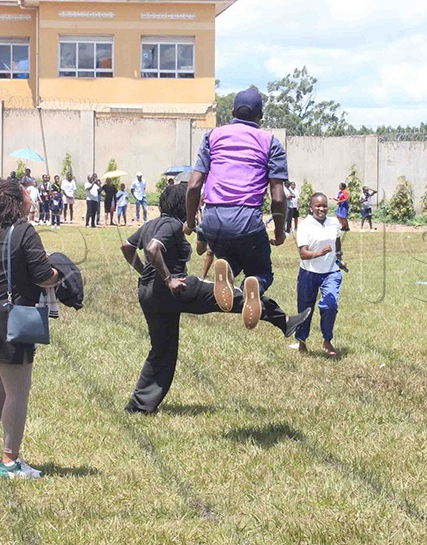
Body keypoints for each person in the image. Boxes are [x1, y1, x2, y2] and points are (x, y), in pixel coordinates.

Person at [120, 183, 310, 414]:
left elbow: (127, 247)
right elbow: (152, 248)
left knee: (161, 350)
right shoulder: (172, 225)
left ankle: (139, 406)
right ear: (183, 205)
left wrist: (145, 273)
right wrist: (168, 278)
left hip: (148, 294)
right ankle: (285, 320)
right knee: (233, 296)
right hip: (177, 289)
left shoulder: (150, 224)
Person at [0, 178, 60, 479]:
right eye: (27, 196)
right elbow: (44, 276)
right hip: (8, 319)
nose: (31, 200)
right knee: (18, 390)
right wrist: (62, 269)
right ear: (17, 202)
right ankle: (10, 462)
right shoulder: (23, 232)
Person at [184, 87, 289, 327]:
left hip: (213, 220)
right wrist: (280, 231)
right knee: (262, 271)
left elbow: (193, 186)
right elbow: (279, 196)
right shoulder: (270, 142)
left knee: (231, 256)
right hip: (247, 220)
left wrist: (191, 222)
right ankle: (253, 285)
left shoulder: (213, 136)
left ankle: (228, 270)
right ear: (260, 116)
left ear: (232, 112)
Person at [295, 193, 346, 356]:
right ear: (311, 207)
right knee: (305, 308)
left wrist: (339, 259)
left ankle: (327, 340)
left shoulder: (334, 223)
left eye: (324, 205)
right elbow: (303, 254)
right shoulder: (304, 225)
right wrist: (320, 253)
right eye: (317, 206)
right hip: (308, 273)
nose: (321, 208)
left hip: (331, 272)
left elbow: (337, 241)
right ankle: (302, 341)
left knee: (330, 305)